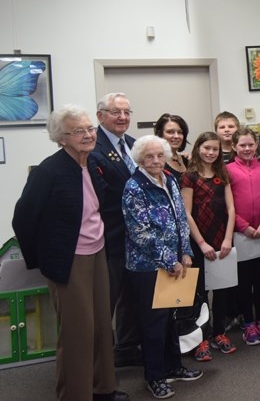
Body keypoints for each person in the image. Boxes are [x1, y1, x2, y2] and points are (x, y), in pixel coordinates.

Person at [13, 105, 128, 401]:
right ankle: (76, 395)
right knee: (79, 331)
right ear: (61, 138)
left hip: (98, 251)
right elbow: (23, 219)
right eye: (79, 131)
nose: (89, 135)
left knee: (103, 324)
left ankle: (104, 388)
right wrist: (44, 261)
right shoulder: (48, 171)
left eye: (90, 128)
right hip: (68, 260)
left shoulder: (91, 163)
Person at [123, 135, 202, 399]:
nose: (156, 161)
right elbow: (139, 232)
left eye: (159, 155)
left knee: (170, 320)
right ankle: (154, 377)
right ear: (140, 159)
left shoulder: (168, 179)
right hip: (148, 267)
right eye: (149, 156)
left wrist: (187, 252)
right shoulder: (134, 187)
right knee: (153, 324)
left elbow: (181, 218)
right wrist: (170, 259)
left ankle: (173, 366)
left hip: (177, 263)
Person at [92, 92, 140, 367]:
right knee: (107, 299)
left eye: (127, 112)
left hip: (137, 239)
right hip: (109, 237)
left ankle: (126, 348)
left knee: (132, 296)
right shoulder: (93, 148)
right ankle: (100, 364)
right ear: (101, 116)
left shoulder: (134, 145)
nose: (123, 117)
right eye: (115, 112)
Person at [181, 132, 237, 360]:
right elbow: (186, 213)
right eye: (206, 148)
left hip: (221, 239)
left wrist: (227, 239)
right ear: (198, 148)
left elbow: (232, 209)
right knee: (200, 293)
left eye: (215, 149)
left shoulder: (222, 175)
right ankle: (201, 338)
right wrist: (202, 243)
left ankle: (219, 333)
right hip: (199, 242)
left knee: (222, 290)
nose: (211, 152)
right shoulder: (189, 177)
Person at [227, 128, 260, 345]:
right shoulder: (227, 170)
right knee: (244, 282)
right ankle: (248, 322)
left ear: (256, 146)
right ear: (234, 147)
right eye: (242, 145)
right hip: (241, 234)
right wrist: (244, 226)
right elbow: (228, 205)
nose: (247, 149)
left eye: (250, 145)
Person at [154, 113, 190, 181]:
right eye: (170, 132)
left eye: (180, 132)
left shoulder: (186, 160)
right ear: (160, 134)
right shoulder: (155, 163)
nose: (176, 136)